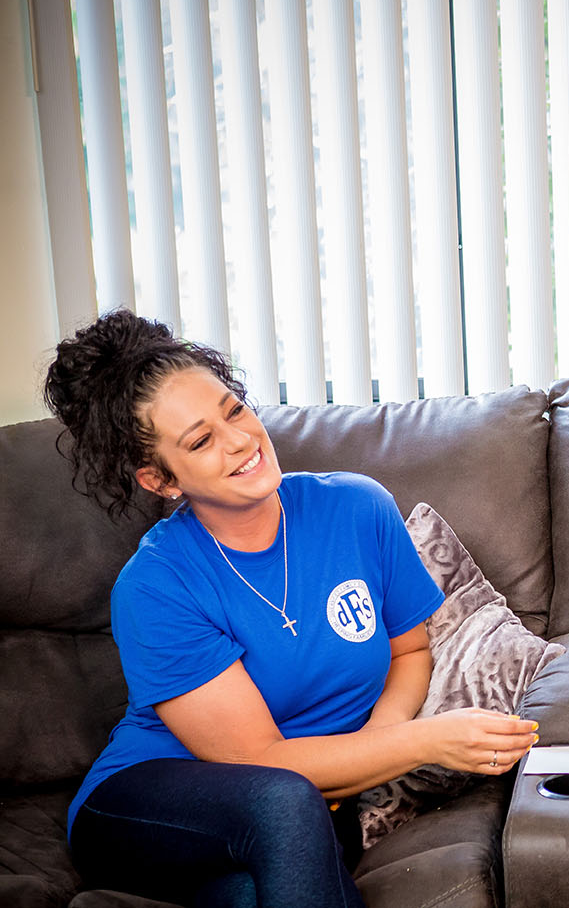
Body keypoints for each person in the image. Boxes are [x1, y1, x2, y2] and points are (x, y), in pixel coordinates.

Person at [45, 309, 539, 907]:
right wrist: (425, 742)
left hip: (308, 803)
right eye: (201, 441)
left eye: (235, 410)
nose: (240, 441)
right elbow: (261, 765)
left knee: (252, 893)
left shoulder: (357, 507)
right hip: (148, 803)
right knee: (283, 798)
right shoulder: (156, 585)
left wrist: (378, 743)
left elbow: (409, 649)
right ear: (161, 481)